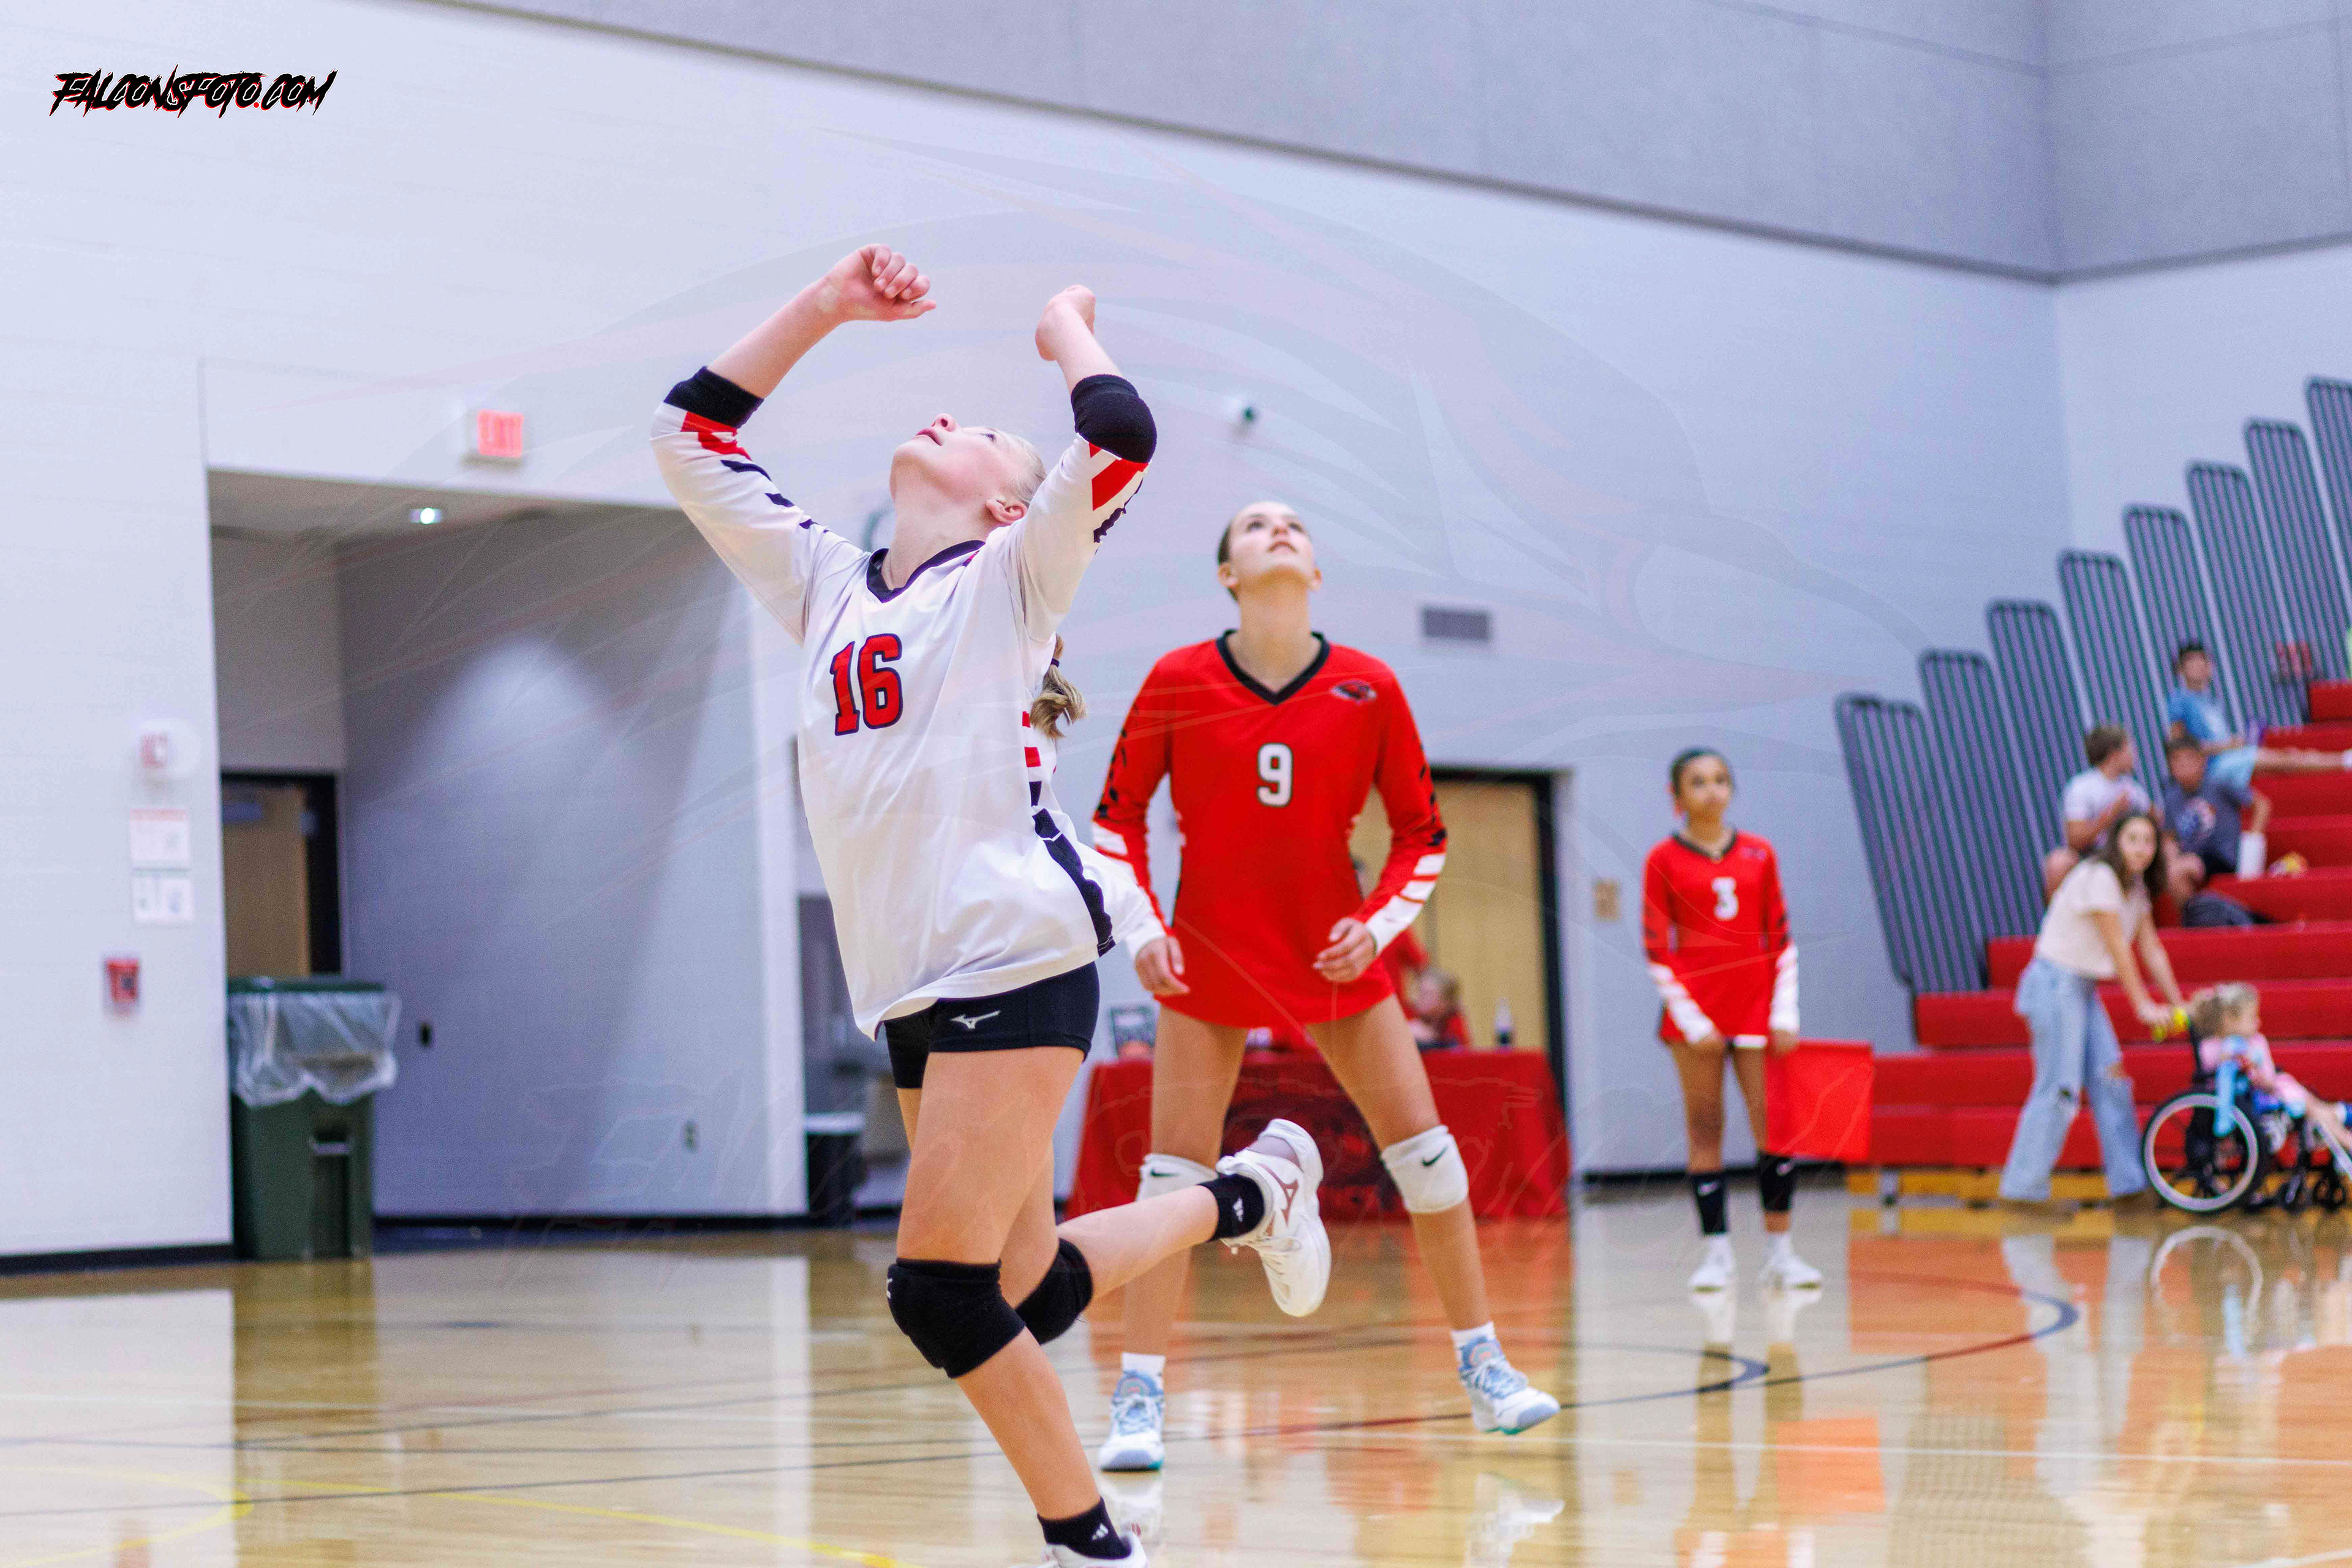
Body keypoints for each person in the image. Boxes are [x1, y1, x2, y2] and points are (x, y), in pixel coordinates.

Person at [654, 245, 1335, 1567]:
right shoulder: (826, 583)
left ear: (1011, 501)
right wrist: (826, 308)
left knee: (939, 1291)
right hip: (908, 981)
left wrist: (1062, 324)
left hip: (1012, 952)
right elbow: (691, 433)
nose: (942, 418)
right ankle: (1253, 1193)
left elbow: (1119, 433)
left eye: (975, 428)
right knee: (1027, 1288)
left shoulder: (1015, 574)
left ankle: (1092, 1543)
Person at [1087, 498, 1560, 1470]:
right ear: (1227, 573)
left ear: (1316, 570)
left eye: (1295, 525)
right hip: (1209, 951)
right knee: (1170, 1181)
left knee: (1431, 1161)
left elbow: (1423, 835)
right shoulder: (1177, 678)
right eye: (1255, 525)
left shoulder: (1369, 685)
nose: (1279, 530)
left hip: (1332, 952)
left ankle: (1484, 1367)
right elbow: (1115, 821)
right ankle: (1139, 1394)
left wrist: (1375, 925)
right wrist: (1140, 930)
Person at [1642, 748, 1818, 1292]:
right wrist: (1694, 1022)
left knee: (1775, 1127)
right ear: (1677, 796)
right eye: (1698, 782)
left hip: (1758, 1009)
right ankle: (1716, 1255)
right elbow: (1656, 948)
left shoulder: (1760, 853)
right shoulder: (1662, 860)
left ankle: (1781, 1253)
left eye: (1720, 779)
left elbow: (1781, 937)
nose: (1712, 790)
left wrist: (1784, 1011)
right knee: (1705, 1127)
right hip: (1695, 1015)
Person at [1999, 810, 2184, 1205]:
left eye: (2149, 841)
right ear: (2116, 841)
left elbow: (2152, 949)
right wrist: (2143, 1006)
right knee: (2058, 1088)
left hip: (2081, 988)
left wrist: (2178, 1004)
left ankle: (2130, 1188)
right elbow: (2118, 947)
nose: (2141, 849)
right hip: (2055, 983)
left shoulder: (2135, 887)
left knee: (2112, 1081)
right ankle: (2022, 1192)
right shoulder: (2100, 877)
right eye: (2132, 839)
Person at [2166, 641, 2351, 786]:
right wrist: (2227, 746)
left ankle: (2343, 761)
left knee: (2289, 756)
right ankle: (2344, 761)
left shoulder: (2210, 701)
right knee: (2289, 759)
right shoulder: (2179, 700)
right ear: (2180, 669)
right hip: (2214, 768)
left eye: (2202, 661)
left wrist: (2234, 743)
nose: (2198, 666)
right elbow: (2179, 748)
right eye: (2192, 662)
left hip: (2230, 758)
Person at [2190, 982, 2352, 1147]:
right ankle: (2344, 1127)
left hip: (2271, 1088)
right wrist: (2233, 1059)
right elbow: (2218, 1070)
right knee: (2315, 1109)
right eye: (2252, 1018)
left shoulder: (2257, 1041)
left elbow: (2268, 1078)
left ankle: (2341, 1119)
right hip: (2260, 1096)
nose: (2258, 1022)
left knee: (2315, 1107)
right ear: (2230, 1020)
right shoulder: (2214, 1047)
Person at [2043, 725, 2150, 895]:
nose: (2134, 755)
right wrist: (2111, 814)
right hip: (2090, 856)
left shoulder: (2133, 789)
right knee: (2058, 863)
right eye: (2129, 749)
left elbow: (2156, 823)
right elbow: (2075, 841)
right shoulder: (2081, 787)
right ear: (2114, 753)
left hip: (2124, 855)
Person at [2160, 734, 2269, 883]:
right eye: (2176, 760)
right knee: (2173, 870)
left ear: (2202, 761)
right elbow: (2169, 836)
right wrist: (2172, 858)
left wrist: (2253, 841)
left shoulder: (2218, 784)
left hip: (2222, 857)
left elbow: (2262, 804)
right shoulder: (2171, 797)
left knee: (2182, 869)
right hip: (2191, 858)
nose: (2183, 765)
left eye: (2189, 758)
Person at [1406, 967, 1471, 1051]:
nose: (1420, 998)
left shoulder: (1454, 1026)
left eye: (1428, 994)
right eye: (1420, 992)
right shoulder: (1408, 1019)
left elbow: (1464, 1050)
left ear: (1445, 1002)